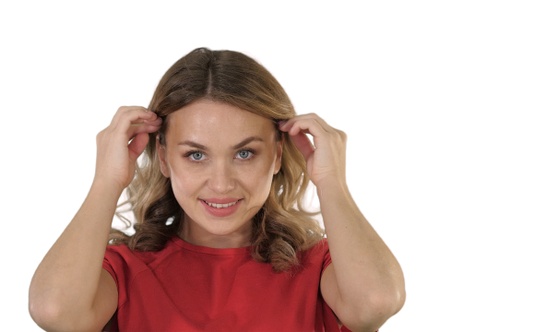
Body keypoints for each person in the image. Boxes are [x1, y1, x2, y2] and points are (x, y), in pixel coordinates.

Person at [28, 47, 406, 332]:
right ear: (162, 157)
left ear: (276, 155)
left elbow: (375, 302)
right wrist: (105, 181)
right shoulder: (125, 270)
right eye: (195, 155)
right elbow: (55, 313)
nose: (222, 183)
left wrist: (332, 182)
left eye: (244, 153)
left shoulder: (317, 267)